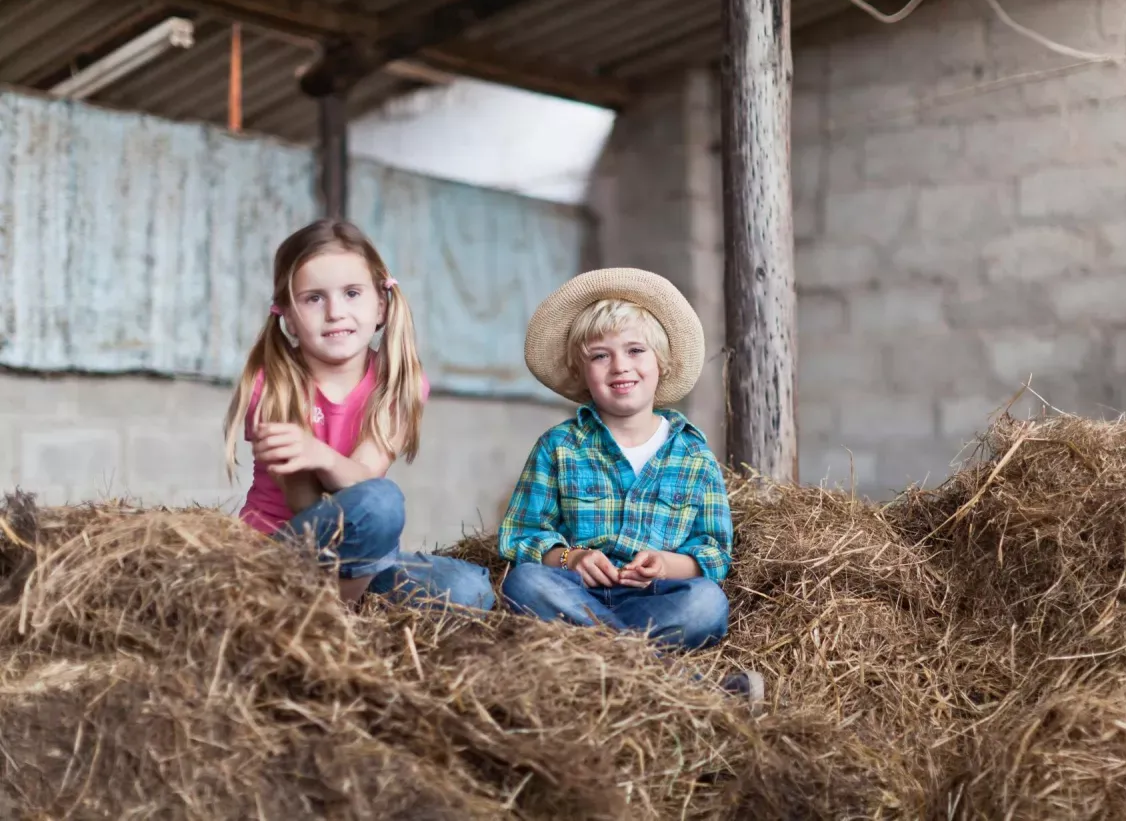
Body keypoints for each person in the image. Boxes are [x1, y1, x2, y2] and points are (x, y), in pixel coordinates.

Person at [497, 268, 763, 703]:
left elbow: (714, 552)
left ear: (662, 361)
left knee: (707, 604)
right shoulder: (560, 446)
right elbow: (519, 536)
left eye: (635, 350)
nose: (620, 365)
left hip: (658, 598)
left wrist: (665, 564)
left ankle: (600, 657)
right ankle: (691, 688)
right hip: (575, 593)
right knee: (525, 583)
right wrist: (572, 557)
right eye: (600, 356)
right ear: (581, 372)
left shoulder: (694, 457)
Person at [222, 218, 494, 612]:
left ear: (380, 306)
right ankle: (334, 624)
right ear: (290, 318)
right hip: (280, 550)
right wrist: (315, 459)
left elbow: (365, 480)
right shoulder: (274, 384)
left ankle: (336, 602)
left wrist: (320, 455)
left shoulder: (399, 382)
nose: (335, 312)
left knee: (471, 590)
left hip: (359, 560)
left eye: (351, 293)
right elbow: (305, 503)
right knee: (382, 504)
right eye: (314, 298)